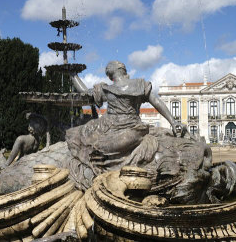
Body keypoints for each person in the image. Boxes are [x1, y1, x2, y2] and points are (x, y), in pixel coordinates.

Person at [66, 60, 187, 189]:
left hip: (109, 128)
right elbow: (156, 102)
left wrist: (73, 75)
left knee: (77, 134)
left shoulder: (107, 89)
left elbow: (84, 91)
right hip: (133, 127)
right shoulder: (139, 85)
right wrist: (173, 122)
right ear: (123, 70)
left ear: (110, 75)